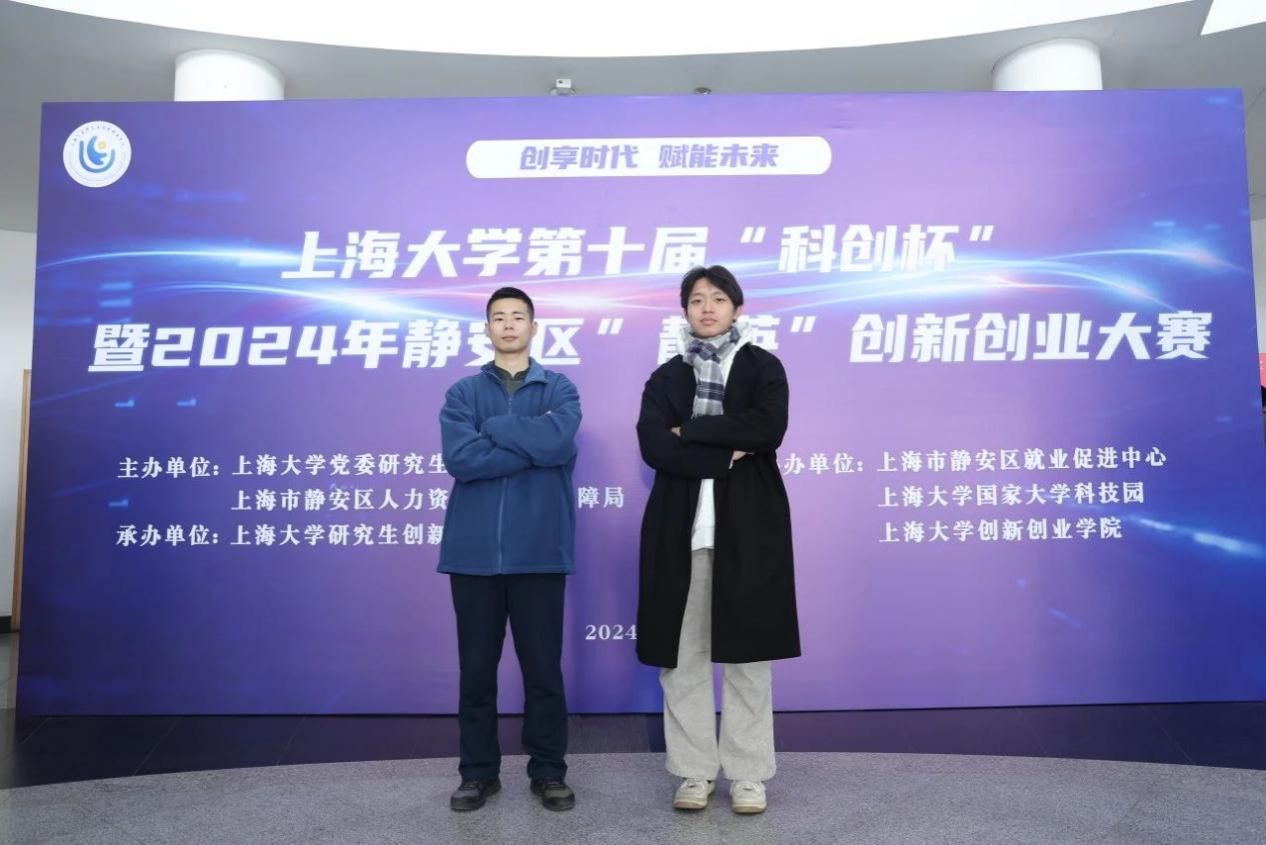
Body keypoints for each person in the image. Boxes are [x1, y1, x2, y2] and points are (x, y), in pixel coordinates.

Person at [635, 265, 801, 815]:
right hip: (679, 533)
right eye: (697, 299)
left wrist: (692, 430)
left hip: (748, 528)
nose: (707, 308)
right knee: (682, 659)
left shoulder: (762, 366)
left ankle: (749, 774)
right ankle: (694, 771)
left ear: (737, 308)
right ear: (684, 310)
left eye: (718, 298)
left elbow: (767, 430)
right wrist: (727, 449)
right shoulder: (667, 377)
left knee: (749, 657)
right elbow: (654, 447)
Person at [437, 286, 582, 812]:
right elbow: (462, 459)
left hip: (540, 552)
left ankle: (548, 771)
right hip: (473, 556)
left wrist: (496, 429)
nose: (508, 324)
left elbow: (559, 443)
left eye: (517, 316)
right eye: (498, 317)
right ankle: (478, 773)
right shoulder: (462, 393)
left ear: (533, 327)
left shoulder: (560, 388)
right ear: (487, 328)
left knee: (543, 673)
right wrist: (532, 445)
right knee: (476, 673)